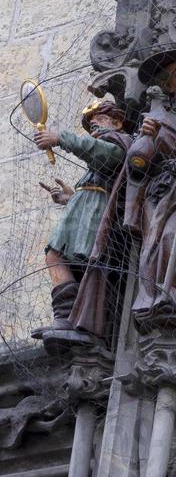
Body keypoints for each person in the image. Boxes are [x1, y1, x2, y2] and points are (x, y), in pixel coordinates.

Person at [70, 50, 176, 345]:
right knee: (154, 247)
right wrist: (146, 136)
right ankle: (155, 298)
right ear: (170, 86)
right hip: (158, 197)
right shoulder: (156, 119)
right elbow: (137, 165)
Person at [30, 96, 131, 339]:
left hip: (101, 218)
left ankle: (81, 322)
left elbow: (107, 156)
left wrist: (60, 138)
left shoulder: (122, 141)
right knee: (55, 256)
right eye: (91, 123)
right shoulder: (97, 156)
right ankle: (66, 317)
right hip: (85, 213)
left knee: (81, 263)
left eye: (101, 119)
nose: (94, 125)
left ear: (117, 123)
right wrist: (70, 198)